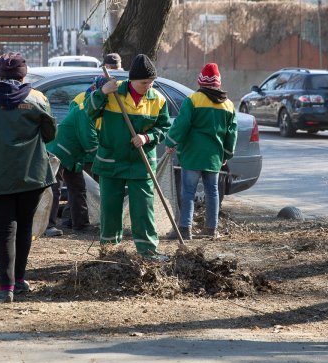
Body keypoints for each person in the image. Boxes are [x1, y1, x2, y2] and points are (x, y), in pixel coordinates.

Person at [0, 52, 57, 303]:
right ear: (23, 74)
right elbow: (49, 134)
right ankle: (20, 279)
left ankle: (6, 288)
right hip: (32, 174)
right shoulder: (37, 99)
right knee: (24, 226)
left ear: (0, 74)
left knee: (4, 230)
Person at [83, 54, 171, 258]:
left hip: (142, 163)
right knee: (111, 209)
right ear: (132, 80)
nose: (148, 86)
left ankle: (148, 251)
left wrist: (147, 137)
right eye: (144, 82)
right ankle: (109, 251)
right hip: (111, 160)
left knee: (143, 209)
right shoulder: (113, 92)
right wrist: (102, 92)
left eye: (151, 82)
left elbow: (164, 127)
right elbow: (89, 112)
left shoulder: (157, 100)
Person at [165, 63, 237, 240]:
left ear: (201, 82)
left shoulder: (193, 100)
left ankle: (185, 229)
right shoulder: (228, 105)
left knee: (188, 192)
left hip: (192, 155)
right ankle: (211, 229)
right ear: (218, 82)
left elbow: (182, 124)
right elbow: (231, 134)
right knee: (212, 192)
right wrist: (226, 154)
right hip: (213, 157)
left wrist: (171, 142)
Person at [46, 75, 107, 232]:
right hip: (57, 153)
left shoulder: (97, 112)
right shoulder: (84, 111)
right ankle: (48, 226)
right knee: (54, 188)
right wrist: (104, 159)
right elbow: (90, 142)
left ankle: (81, 225)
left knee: (78, 188)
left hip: (73, 157)